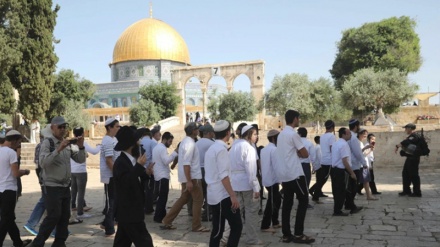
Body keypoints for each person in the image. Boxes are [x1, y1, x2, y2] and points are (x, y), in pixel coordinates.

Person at [28, 116, 86, 247]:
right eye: (60, 127)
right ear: (52, 127)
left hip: (65, 185)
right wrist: (58, 150)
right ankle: (38, 243)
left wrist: (81, 147)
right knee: (54, 216)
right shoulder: (48, 143)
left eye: (64, 126)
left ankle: (59, 242)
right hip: (52, 185)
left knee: (65, 216)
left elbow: (80, 159)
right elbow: (43, 163)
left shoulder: (67, 143)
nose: (62, 129)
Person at [274, 110, 315, 244]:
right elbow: (305, 154)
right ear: (295, 119)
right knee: (303, 200)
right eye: (298, 118)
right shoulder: (293, 134)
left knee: (287, 203)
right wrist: (298, 153)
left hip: (285, 174)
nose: (299, 121)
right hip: (295, 174)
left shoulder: (281, 135)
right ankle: (298, 234)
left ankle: (286, 234)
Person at [161, 122, 209, 232]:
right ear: (193, 131)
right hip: (192, 177)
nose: (198, 130)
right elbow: (187, 163)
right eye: (197, 129)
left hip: (187, 177)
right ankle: (197, 225)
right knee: (198, 200)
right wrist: (189, 181)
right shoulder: (190, 144)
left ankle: (167, 220)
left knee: (183, 199)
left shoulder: (185, 142)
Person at [112, 126, 154, 247]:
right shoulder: (120, 163)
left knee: (122, 242)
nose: (139, 143)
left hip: (129, 212)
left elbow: (135, 177)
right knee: (145, 242)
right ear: (131, 144)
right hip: (129, 211)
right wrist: (139, 167)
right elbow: (126, 181)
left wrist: (146, 173)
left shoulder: (131, 160)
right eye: (137, 141)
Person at [204, 120, 242, 247]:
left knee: (219, 229)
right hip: (222, 195)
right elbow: (223, 176)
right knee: (233, 227)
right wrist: (233, 195)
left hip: (215, 194)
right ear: (228, 132)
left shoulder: (212, 148)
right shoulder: (221, 150)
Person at [229, 125, 262, 245]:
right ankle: (252, 238)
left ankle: (226, 237)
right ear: (248, 135)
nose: (256, 136)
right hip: (247, 184)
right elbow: (251, 169)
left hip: (235, 183)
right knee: (251, 212)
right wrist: (256, 187)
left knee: (235, 211)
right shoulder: (249, 148)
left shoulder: (234, 146)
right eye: (254, 134)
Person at [0, 130, 31, 247]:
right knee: (5, 219)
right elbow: (15, 173)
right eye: (18, 142)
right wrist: (25, 172)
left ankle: (18, 242)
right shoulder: (11, 153)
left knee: (9, 218)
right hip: (9, 189)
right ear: (14, 141)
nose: (19, 145)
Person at [70, 127, 100, 219]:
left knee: (74, 191)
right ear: (83, 134)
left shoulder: (71, 143)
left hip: (72, 171)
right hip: (81, 171)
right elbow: (94, 152)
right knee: (81, 193)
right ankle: (80, 212)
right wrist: (99, 146)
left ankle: (73, 206)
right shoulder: (83, 143)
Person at [99, 118, 120, 236]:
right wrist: (117, 174)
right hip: (110, 176)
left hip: (114, 175)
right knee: (111, 202)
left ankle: (106, 223)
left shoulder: (114, 139)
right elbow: (109, 160)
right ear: (110, 128)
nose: (118, 128)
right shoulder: (107, 140)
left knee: (114, 201)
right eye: (116, 126)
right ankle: (109, 229)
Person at [152, 132, 178, 223]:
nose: (170, 143)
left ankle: (161, 215)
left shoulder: (157, 147)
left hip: (159, 175)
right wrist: (175, 153)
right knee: (162, 198)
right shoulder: (162, 149)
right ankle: (158, 217)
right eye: (170, 141)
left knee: (162, 197)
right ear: (165, 139)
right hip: (162, 176)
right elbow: (166, 161)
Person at [330, 128, 356, 216]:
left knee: (345, 189)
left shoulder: (336, 143)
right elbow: (345, 160)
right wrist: (352, 173)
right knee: (340, 191)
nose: (350, 135)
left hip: (335, 170)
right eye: (349, 133)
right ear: (344, 134)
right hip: (341, 171)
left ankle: (352, 206)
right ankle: (337, 210)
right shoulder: (344, 145)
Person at [260, 129, 281, 232]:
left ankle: (275, 221)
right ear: (273, 138)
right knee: (271, 202)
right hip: (273, 180)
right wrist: (282, 180)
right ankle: (265, 225)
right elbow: (277, 166)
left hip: (268, 179)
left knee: (277, 199)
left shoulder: (264, 150)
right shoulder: (274, 150)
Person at [309, 120, 335, 202]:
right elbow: (332, 149)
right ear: (332, 127)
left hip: (324, 161)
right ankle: (315, 194)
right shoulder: (331, 136)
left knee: (322, 179)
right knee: (326, 179)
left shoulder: (323, 136)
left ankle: (315, 193)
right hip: (329, 161)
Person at [395, 123, 422, 197]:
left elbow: (406, 142)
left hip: (414, 158)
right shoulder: (411, 136)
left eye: (406, 128)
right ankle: (406, 190)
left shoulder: (415, 135)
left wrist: (397, 146)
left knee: (414, 175)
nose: (405, 130)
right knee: (405, 173)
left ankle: (417, 192)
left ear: (410, 128)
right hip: (410, 158)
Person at [195, 124, 215, 221]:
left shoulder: (197, 143)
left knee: (200, 195)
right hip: (207, 170)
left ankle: (198, 214)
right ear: (209, 133)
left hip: (198, 170)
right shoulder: (211, 144)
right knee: (208, 193)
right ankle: (207, 214)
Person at [346, 119, 365, 214]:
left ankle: (348, 204)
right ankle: (351, 205)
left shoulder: (348, 137)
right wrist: (364, 163)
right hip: (354, 165)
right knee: (353, 187)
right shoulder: (353, 138)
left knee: (350, 186)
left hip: (349, 165)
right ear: (356, 126)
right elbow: (358, 153)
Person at [139, 128, 156, 215]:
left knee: (142, 188)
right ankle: (149, 208)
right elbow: (154, 156)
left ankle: (142, 206)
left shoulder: (139, 141)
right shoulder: (152, 142)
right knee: (149, 189)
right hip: (149, 168)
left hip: (140, 168)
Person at [297, 127, 315, 209]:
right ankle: (305, 202)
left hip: (297, 165)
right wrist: (314, 167)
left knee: (298, 184)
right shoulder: (309, 143)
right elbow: (313, 156)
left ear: (299, 134)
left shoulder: (296, 143)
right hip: (306, 165)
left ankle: (300, 200)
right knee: (306, 184)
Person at [357, 129, 377, 200]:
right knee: (365, 180)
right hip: (362, 164)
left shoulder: (361, 143)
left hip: (364, 164)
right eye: (364, 134)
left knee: (366, 180)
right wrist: (368, 148)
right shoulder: (359, 143)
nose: (365, 135)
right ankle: (368, 195)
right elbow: (362, 154)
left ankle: (369, 195)